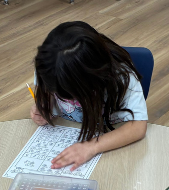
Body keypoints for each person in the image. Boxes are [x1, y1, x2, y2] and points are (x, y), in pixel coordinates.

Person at [31, 21, 148, 169]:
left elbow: (138, 127)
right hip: (65, 131)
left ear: (96, 77)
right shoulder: (49, 68)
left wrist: (91, 147)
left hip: (110, 138)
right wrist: (41, 107)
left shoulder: (122, 78)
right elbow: (46, 94)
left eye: (71, 94)